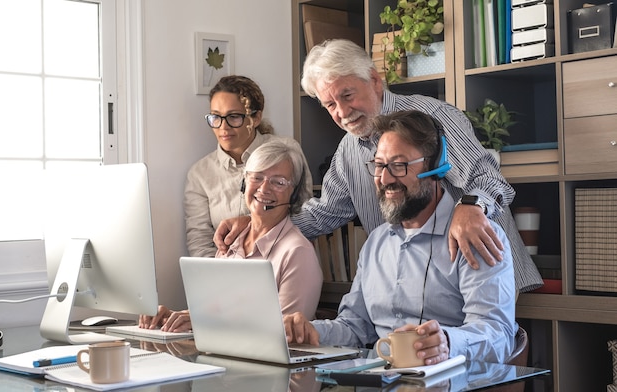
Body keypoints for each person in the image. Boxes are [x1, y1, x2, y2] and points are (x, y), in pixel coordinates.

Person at [215, 39, 542, 293]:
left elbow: (488, 176)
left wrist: (472, 206)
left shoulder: (432, 118)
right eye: (330, 104)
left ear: (374, 80)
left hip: (479, 269)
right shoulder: (347, 151)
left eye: (347, 95)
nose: (342, 112)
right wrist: (258, 223)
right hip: (418, 284)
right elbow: (324, 213)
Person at [283, 110, 517, 364]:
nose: (384, 179)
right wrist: (312, 331)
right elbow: (355, 327)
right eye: (379, 165)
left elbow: (499, 334)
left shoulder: (476, 236)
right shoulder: (376, 242)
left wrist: (447, 342)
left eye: (398, 165)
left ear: (435, 167)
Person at [140, 140, 323, 331]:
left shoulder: (298, 253)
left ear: (293, 194)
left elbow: (283, 335)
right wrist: (175, 318)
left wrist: (202, 321)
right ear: (244, 183)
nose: (263, 189)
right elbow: (214, 311)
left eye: (278, 182)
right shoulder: (232, 242)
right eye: (257, 178)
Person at [185, 75, 311, 257]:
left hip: (283, 261)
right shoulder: (200, 174)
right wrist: (216, 277)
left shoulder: (286, 152)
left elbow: (305, 216)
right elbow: (199, 242)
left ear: (256, 117)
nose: (223, 127)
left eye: (233, 117)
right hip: (226, 273)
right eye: (216, 117)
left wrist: (251, 223)